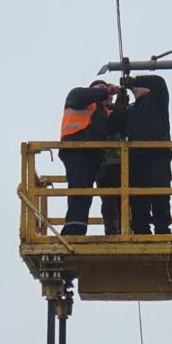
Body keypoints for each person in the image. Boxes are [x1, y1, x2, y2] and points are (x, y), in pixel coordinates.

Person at [59, 80, 122, 236]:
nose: (104, 92)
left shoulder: (102, 112)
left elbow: (115, 124)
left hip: (92, 155)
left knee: (84, 193)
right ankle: (74, 229)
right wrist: (106, 91)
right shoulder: (78, 96)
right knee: (79, 191)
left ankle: (77, 227)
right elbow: (83, 96)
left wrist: (121, 100)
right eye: (100, 89)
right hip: (76, 149)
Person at [124, 74, 172, 235]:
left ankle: (162, 229)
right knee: (138, 198)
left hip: (157, 155)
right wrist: (120, 101)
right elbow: (116, 123)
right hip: (136, 159)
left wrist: (134, 80)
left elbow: (159, 82)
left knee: (160, 194)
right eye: (133, 89)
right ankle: (141, 230)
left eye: (137, 87)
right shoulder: (131, 109)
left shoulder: (157, 100)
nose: (134, 89)